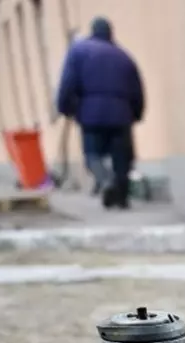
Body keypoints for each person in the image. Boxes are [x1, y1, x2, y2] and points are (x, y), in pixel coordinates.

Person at [56, 17, 144, 209]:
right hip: (121, 115)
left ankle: (106, 182)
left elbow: (68, 82)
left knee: (93, 155)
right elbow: (137, 89)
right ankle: (121, 199)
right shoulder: (124, 56)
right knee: (122, 158)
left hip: (91, 114)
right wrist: (137, 113)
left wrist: (64, 107)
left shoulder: (79, 51)